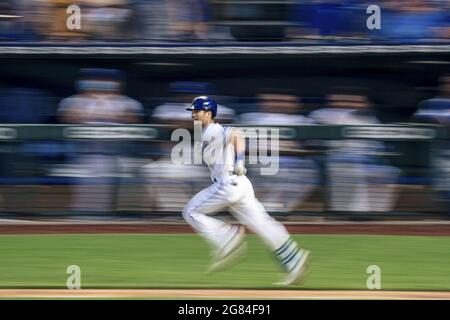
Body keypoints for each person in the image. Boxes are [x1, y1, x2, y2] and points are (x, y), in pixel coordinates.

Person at [181, 96, 310, 285]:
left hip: (228, 184)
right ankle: (294, 261)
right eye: (193, 110)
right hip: (240, 184)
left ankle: (227, 237)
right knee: (264, 224)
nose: (193, 114)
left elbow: (236, 135)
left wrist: (240, 160)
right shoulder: (207, 133)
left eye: (197, 111)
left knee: (190, 211)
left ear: (208, 113)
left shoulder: (213, 130)